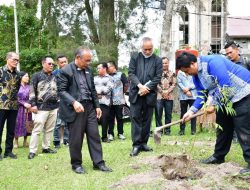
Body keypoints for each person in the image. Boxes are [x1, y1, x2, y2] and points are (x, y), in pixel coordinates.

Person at [176, 51, 250, 174]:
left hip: (244, 93)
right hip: (226, 99)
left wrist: (214, 104)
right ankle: (218, 156)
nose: (186, 74)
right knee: (222, 127)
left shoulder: (213, 62)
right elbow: (201, 95)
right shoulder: (196, 76)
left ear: (193, 64)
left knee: (243, 129)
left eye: (186, 71)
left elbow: (226, 85)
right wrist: (191, 111)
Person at [57, 46, 112, 174]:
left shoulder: (88, 70)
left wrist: (97, 106)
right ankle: (76, 164)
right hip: (75, 109)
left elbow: (92, 89)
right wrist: (74, 102)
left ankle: (98, 163)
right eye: (86, 60)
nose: (89, 63)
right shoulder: (65, 71)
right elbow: (62, 91)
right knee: (76, 138)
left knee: (94, 135)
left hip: (89, 108)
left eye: (89, 61)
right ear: (77, 58)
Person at [128, 37, 162, 157]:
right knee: (136, 118)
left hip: (149, 94)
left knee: (147, 119)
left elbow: (158, 77)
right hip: (136, 93)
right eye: (145, 49)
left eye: (150, 49)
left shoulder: (157, 60)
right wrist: (140, 86)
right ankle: (136, 144)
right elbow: (131, 73)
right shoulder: (135, 57)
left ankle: (144, 143)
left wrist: (146, 88)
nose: (148, 51)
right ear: (141, 48)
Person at [28, 56, 58, 159]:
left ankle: (46, 147)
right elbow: (31, 91)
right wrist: (33, 104)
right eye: (49, 63)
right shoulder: (36, 76)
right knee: (37, 130)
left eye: (52, 64)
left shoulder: (55, 76)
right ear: (43, 64)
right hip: (41, 107)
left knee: (49, 129)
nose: (51, 66)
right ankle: (32, 150)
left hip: (54, 107)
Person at [224, 41, 250, 143]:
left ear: (237, 50)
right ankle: (235, 137)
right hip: (232, 96)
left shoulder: (246, 62)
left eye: (230, 52)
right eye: (227, 54)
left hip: (246, 96)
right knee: (233, 117)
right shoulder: (226, 64)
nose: (229, 55)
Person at [0, 52, 20, 160]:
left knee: (11, 130)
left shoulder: (18, 74)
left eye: (17, 60)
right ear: (8, 59)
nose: (16, 62)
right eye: (14, 59)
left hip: (13, 106)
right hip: (1, 105)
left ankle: (8, 151)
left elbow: (18, 89)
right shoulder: (1, 71)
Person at [107, 61, 128, 141]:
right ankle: (110, 134)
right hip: (109, 100)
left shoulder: (121, 74)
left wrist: (122, 93)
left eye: (108, 67)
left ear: (113, 67)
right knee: (110, 118)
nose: (107, 68)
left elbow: (126, 85)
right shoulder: (106, 76)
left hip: (119, 99)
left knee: (120, 117)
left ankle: (120, 133)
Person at [155, 57, 176, 135]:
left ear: (168, 63)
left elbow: (174, 84)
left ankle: (167, 131)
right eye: (163, 63)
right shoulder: (157, 73)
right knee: (158, 114)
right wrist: (162, 92)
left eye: (166, 63)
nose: (164, 64)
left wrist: (167, 92)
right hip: (159, 96)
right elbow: (156, 83)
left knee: (168, 114)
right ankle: (159, 130)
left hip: (169, 96)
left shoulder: (172, 73)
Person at [52, 55, 69, 148]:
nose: (63, 64)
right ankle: (56, 142)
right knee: (58, 123)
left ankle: (67, 140)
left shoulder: (72, 72)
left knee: (68, 122)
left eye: (65, 61)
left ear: (67, 61)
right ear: (58, 63)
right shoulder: (54, 73)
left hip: (69, 100)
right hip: (58, 100)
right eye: (61, 62)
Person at [94, 62, 113, 143]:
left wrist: (98, 91)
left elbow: (109, 89)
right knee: (93, 120)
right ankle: (95, 138)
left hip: (105, 102)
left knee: (104, 120)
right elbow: (91, 88)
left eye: (99, 68)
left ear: (104, 68)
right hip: (95, 102)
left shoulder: (110, 78)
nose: (98, 70)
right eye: (97, 68)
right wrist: (97, 93)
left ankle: (104, 137)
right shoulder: (94, 78)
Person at [14, 72, 32, 148]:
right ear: (21, 77)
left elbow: (32, 97)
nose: (27, 77)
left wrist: (30, 104)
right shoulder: (16, 86)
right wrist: (23, 103)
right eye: (26, 76)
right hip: (18, 108)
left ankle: (25, 141)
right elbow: (15, 97)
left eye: (28, 76)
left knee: (27, 124)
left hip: (28, 109)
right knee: (17, 124)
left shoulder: (30, 87)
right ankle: (16, 141)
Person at [177, 70, 197, 135]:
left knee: (193, 113)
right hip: (183, 96)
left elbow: (196, 82)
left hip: (193, 95)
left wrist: (188, 88)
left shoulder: (193, 71)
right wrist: (185, 90)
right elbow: (179, 83)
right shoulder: (180, 73)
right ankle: (182, 130)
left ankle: (193, 131)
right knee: (183, 112)